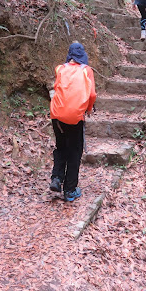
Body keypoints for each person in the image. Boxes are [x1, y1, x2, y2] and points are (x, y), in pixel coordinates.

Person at [49, 42, 97, 202]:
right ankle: (69, 190)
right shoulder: (86, 70)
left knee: (61, 147)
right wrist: (89, 109)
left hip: (56, 115)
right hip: (75, 117)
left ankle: (56, 177)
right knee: (74, 152)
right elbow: (91, 95)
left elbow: (57, 88)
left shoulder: (60, 69)